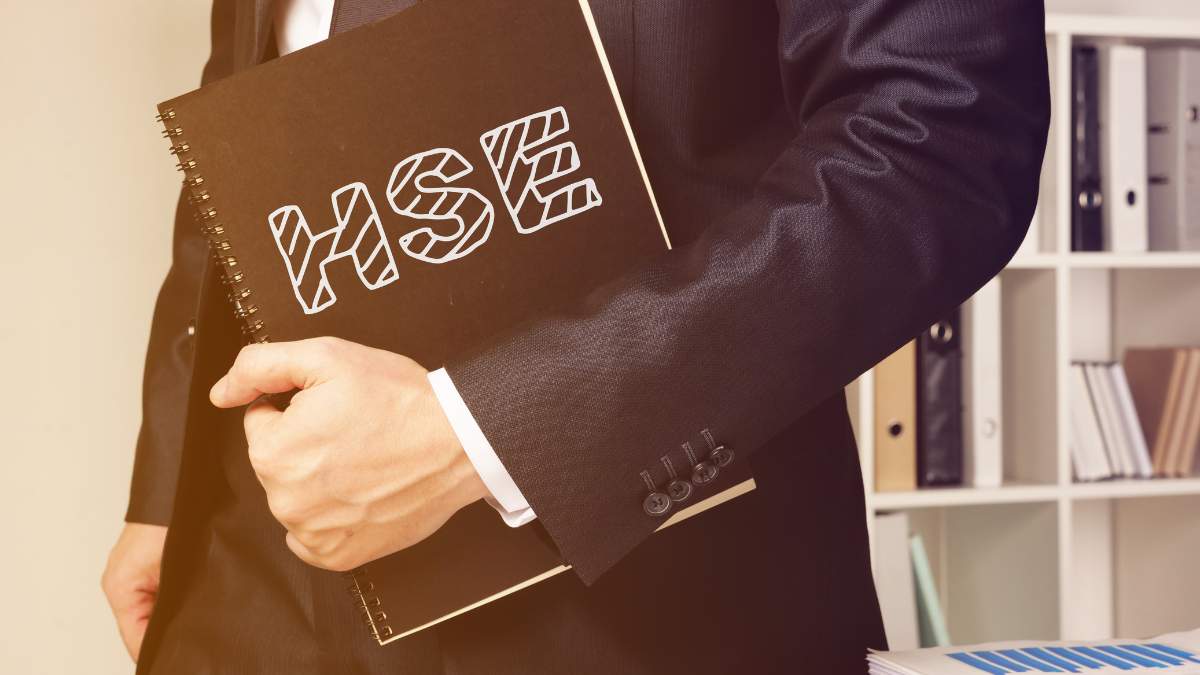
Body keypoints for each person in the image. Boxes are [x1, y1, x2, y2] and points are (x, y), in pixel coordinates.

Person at [101, 0, 1050, 673]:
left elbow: (939, 133)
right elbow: (259, 81)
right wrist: (168, 489)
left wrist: (484, 433)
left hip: (647, 604)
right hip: (249, 575)